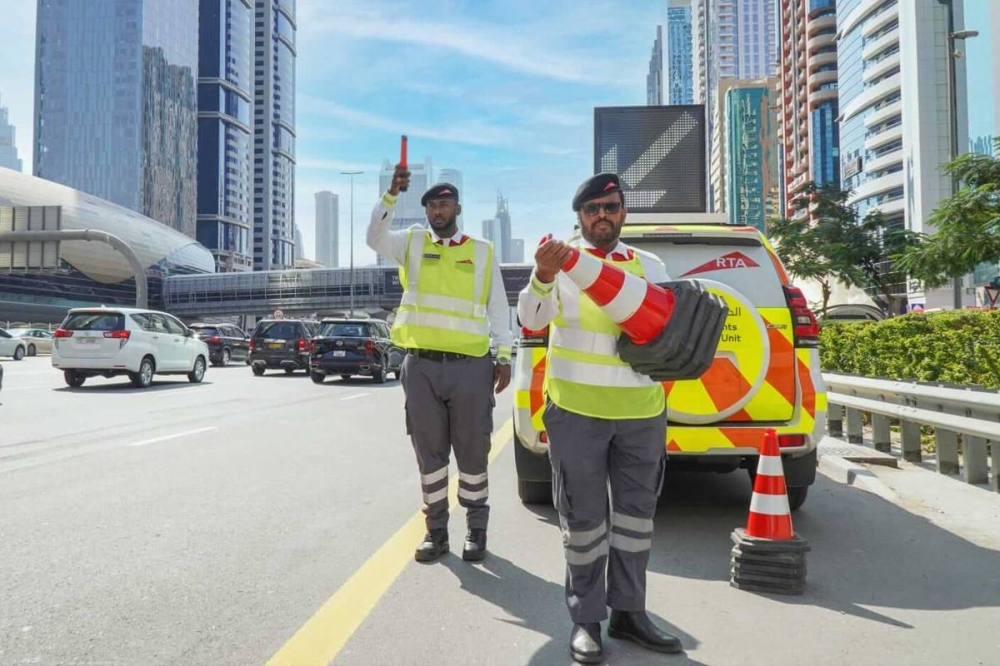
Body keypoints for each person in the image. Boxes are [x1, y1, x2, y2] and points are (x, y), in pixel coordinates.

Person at [517, 173, 682, 663]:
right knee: (584, 523)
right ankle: (586, 619)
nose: (602, 216)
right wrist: (542, 276)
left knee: (636, 521)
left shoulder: (650, 265)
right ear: (580, 218)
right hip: (577, 413)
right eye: (592, 209)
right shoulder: (561, 262)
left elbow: (669, 328)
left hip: (641, 412)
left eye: (610, 206)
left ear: (623, 211)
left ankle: (629, 613)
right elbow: (532, 320)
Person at [367, 165, 513, 564]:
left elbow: (498, 308)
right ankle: (436, 532)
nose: (437, 211)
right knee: (429, 455)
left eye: (444, 204)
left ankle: (476, 530)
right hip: (422, 367)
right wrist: (390, 196)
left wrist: (503, 355)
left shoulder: (481, 251)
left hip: (471, 367)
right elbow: (374, 237)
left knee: (473, 451)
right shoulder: (412, 243)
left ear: (457, 209)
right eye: (432, 205)